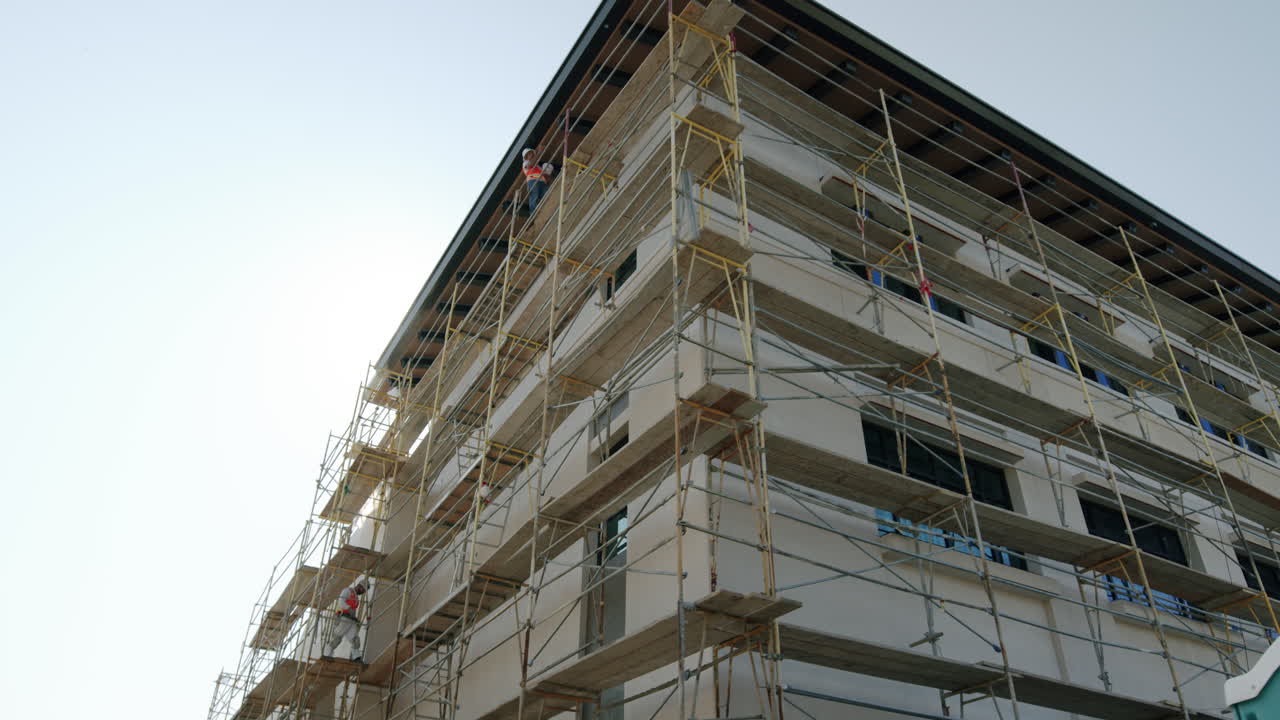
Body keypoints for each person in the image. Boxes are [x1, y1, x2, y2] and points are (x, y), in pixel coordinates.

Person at [323, 579, 367, 662]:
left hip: (351, 620)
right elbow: (341, 601)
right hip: (343, 618)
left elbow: (353, 609)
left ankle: (356, 657)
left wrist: (355, 618)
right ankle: (327, 655)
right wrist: (348, 608)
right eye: (362, 590)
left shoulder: (356, 597)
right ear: (359, 586)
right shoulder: (347, 590)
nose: (362, 592)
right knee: (337, 638)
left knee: (355, 640)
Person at [522, 148, 555, 215]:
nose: (531, 155)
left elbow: (546, 176)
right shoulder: (526, 163)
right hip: (532, 181)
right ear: (526, 157)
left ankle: (550, 209)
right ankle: (533, 214)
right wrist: (539, 153)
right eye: (528, 154)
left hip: (542, 182)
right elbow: (530, 164)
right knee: (534, 197)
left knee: (547, 195)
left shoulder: (538, 167)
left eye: (531, 153)